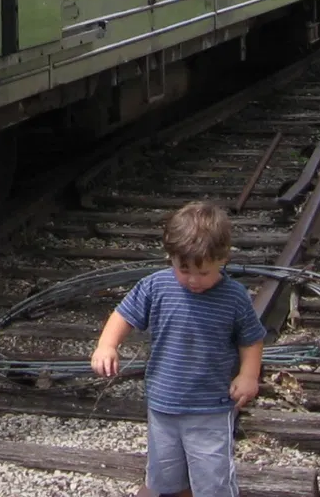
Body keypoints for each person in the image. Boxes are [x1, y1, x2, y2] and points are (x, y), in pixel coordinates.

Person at [90, 201, 266, 497]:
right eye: (184, 270)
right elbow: (123, 315)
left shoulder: (234, 297)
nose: (194, 280)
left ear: (223, 259)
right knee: (167, 475)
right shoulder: (155, 286)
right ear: (170, 258)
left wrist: (248, 376)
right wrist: (107, 345)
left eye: (204, 272)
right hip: (163, 405)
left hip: (210, 407)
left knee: (212, 478)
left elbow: (251, 339)